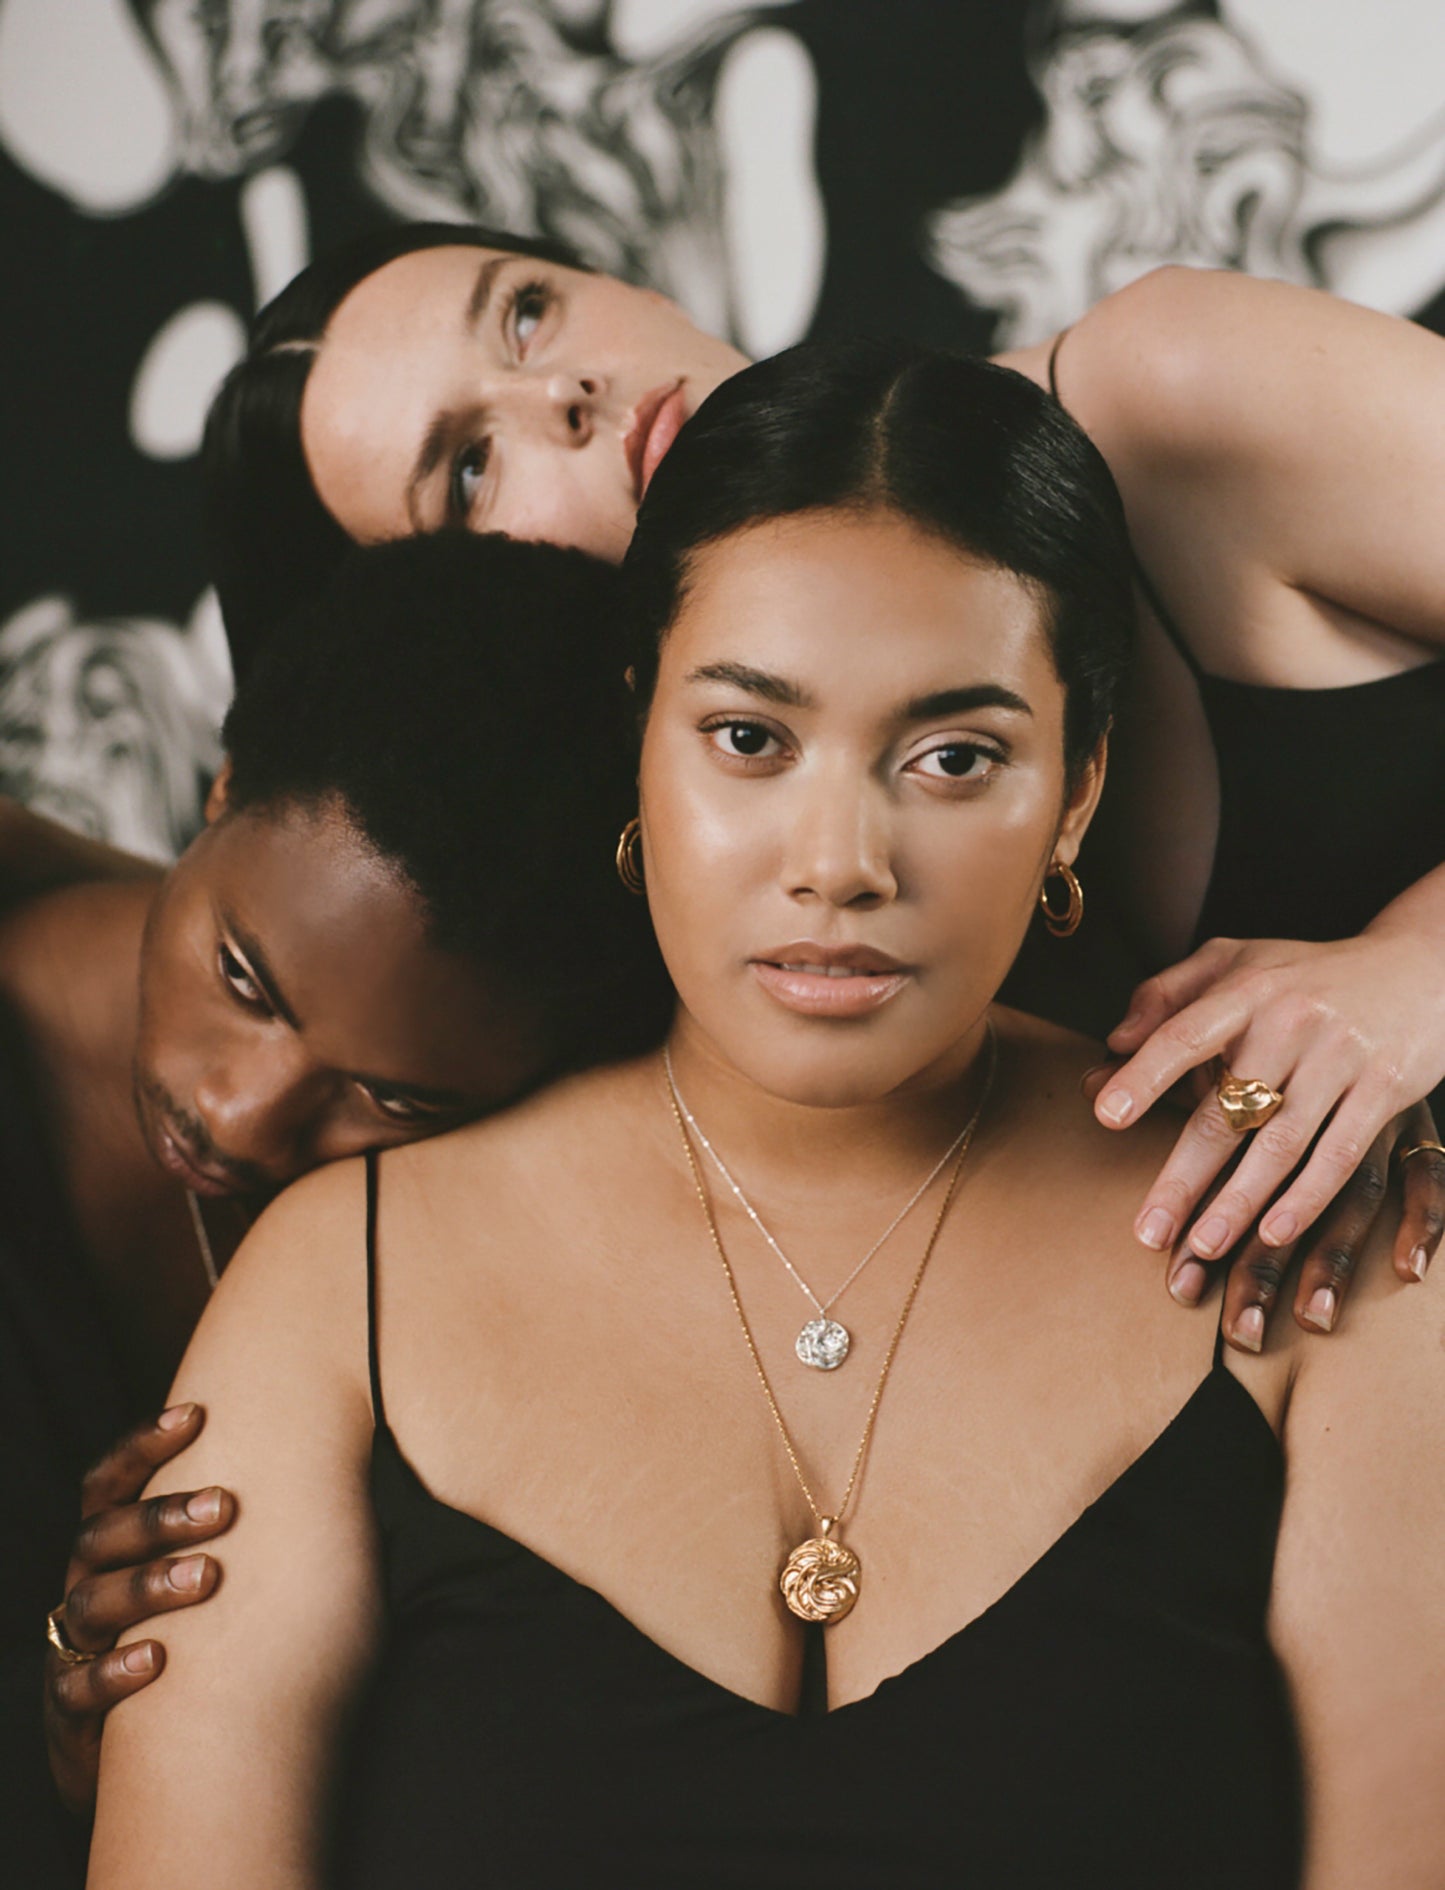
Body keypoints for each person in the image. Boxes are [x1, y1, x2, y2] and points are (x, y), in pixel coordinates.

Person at [88, 344, 1445, 1888]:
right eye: (748, 737)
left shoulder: (1319, 1234)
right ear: (638, 739)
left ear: (1076, 792)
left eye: (953, 756)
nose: (839, 859)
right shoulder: (338, 1282)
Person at [203, 224, 1445, 1353]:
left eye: (527, 313)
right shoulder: (676, 932)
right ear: (451, 623)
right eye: (471, 468)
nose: (565, 396)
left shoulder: (1175, 391)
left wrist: (1411, 975)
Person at [5, 533, 668, 1875]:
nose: (244, 1115)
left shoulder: (491, 1258)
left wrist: (91, 1726)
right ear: (220, 789)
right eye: (245, 978)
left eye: (393, 1097)